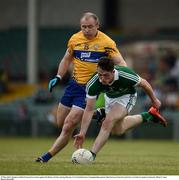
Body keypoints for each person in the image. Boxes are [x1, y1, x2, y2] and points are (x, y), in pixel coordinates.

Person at [35, 12, 127, 162]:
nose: (86, 30)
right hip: (73, 85)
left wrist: (116, 78)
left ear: (97, 25)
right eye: (83, 27)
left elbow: (122, 63)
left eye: (90, 27)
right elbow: (66, 59)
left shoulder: (106, 42)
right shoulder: (75, 39)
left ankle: (45, 157)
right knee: (60, 121)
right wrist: (58, 76)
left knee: (68, 125)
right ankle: (96, 114)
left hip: (89, 89)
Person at [74, 57, 167, 160]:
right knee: (117, 130)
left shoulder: (125, 75)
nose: (102, 79)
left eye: (106, 75)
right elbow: (89, 109)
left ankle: (91, 155)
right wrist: (82, 133)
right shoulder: (93, 84)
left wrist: (154, 100)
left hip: (127, 97)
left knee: (108, 122)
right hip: (109, 98)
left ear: (113, 71)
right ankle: (148, 116)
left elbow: (144, 84)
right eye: (100, 75)